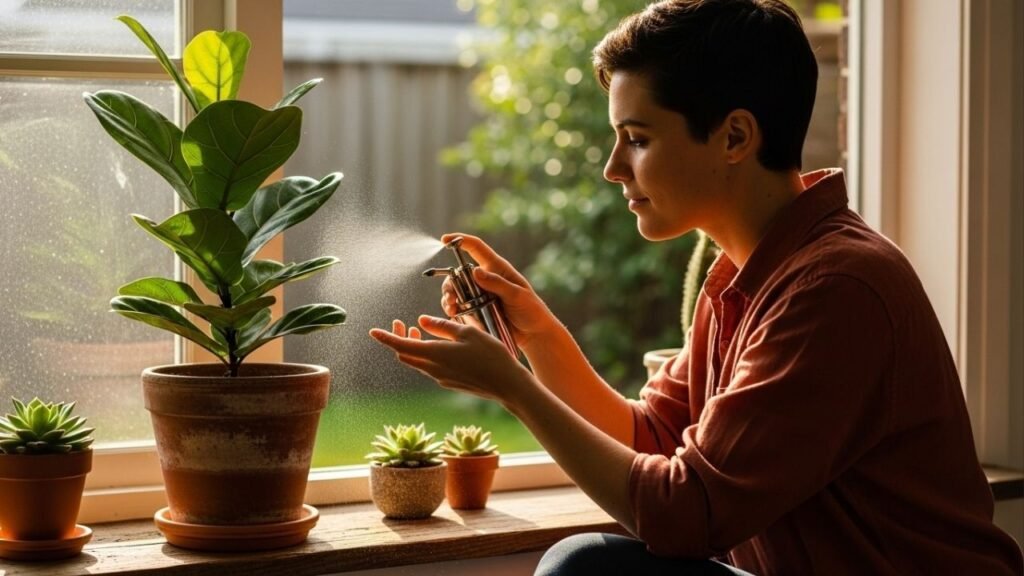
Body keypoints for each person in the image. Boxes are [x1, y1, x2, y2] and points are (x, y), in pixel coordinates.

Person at [369, 0, 1024, 574]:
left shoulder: (837, 288)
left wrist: (513, 388)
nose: (613, 167)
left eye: (637, 138)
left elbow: (688, 513)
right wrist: (536, 331)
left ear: (734, 136)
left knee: (586, 569)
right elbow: (652, 436)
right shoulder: (745, 273)